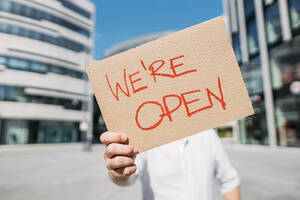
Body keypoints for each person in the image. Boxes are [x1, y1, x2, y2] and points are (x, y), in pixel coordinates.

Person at [100, 129, 240, 200]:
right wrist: (119, 169)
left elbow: (229, 180)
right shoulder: (145, 136)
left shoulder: (208, 135)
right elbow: (130, 173)